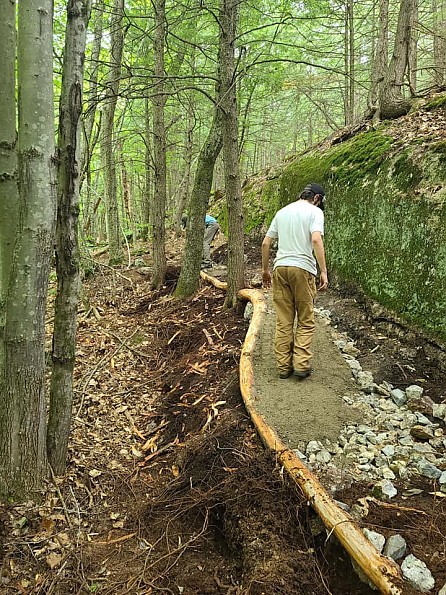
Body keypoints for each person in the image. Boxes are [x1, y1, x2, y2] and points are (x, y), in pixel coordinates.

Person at [261, 183, 328, 380]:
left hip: (280, 268)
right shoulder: (315, 212)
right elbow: (316, 240)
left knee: (284, 320)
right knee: (305, 320)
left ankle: (283, 367)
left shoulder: (282, 212)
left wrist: (265, 270)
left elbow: (266, 242)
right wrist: (323, 270)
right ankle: (301, 365)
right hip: (302, 268)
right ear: (316, 198)